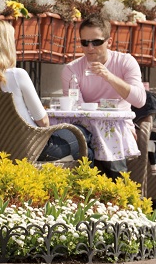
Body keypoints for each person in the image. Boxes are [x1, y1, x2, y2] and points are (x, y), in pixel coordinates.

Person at [0, 19, 93, 163]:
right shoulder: (16, 75)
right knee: (84, 134)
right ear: (6, 45)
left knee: (84, 148)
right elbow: (43, 122)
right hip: (32, 148)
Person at [61, 14, 146, 177]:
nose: (90, 48)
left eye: (96, 42)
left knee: (110, 132)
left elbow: (140, 100)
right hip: (86, 128)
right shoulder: (71, 70)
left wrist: (109, 76)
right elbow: (76, 110)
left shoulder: (125, 62)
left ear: (109, 42)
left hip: (118, 128)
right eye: (84, 42)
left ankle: (118, 190)